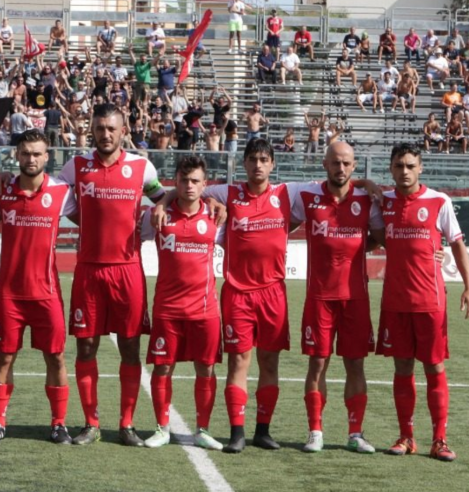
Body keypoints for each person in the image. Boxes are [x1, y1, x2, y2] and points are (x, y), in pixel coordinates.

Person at [152, 139, 305, 454]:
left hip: (274, 291)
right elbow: (190, 190)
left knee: (270, 361)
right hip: (238, 293)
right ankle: (237, 431)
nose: (258, 165)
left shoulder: (288, 193)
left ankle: (262, 430)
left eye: (264, 159)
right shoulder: (229, 194)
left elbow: (332, 184)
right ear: (245, 163)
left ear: (273, 164)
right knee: (238, 360)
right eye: (252, 159)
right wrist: (161, 202)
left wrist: (365, 183)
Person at [56, 103, 168, 446]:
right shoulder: (75, 166)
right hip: (88, 271)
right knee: (86, 346)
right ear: (92, 129)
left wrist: (162, 204)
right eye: (100, 128)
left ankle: (127, 424)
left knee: (130, 347)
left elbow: (163, 196)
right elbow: (51, 194)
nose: (105, 134)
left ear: (123, 132)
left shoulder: (141, 166)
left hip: (128, 271)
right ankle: (91, 423)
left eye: (111, 129)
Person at [377, 143, 469, 462]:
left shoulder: (439, 201)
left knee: (434, 366)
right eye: (398, 166)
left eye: (410, 165)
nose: (404, 171)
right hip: (394, 300)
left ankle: (439, 439)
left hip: (430, 300)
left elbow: (458, 245)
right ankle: (406, 436)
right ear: (391, 169)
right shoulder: (383, 201)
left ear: (420, 168)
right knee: (402, 366)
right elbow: (377, 233)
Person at [0, 130, 75, 444]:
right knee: (4, 358)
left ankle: (58, 423)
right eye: (25, 153)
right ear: (16, 156)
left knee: (56, 357)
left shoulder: (62, 192)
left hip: (47, 293)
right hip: (9, 293)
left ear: (47, 157)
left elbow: (95, 219)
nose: (31, 159)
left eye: (37, 154)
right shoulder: (2, 189)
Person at [290, 141, 383, 454]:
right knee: (317, 364)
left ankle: (355, 433)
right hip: (319, 298)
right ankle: (315, 430)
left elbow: (381, 238)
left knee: (355, 364)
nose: (340, 168)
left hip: (355, 298)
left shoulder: (366, 200)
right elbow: (281, 226)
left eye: (346, 163)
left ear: (353, 166)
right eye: (335, 163)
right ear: (324, 164)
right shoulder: (307, 196)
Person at [138, 156, 225, 450]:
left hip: (205, 310)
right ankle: (162, 427)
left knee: (206, 369)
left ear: (205, 184)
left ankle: (202, 429)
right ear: (175, 181)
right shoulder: (157, 216)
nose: (189, 186)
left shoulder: (216, 217)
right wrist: (162, 203)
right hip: (168, 309)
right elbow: (131, 239)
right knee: (163, 368)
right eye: (184, 180)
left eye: (195, 181)